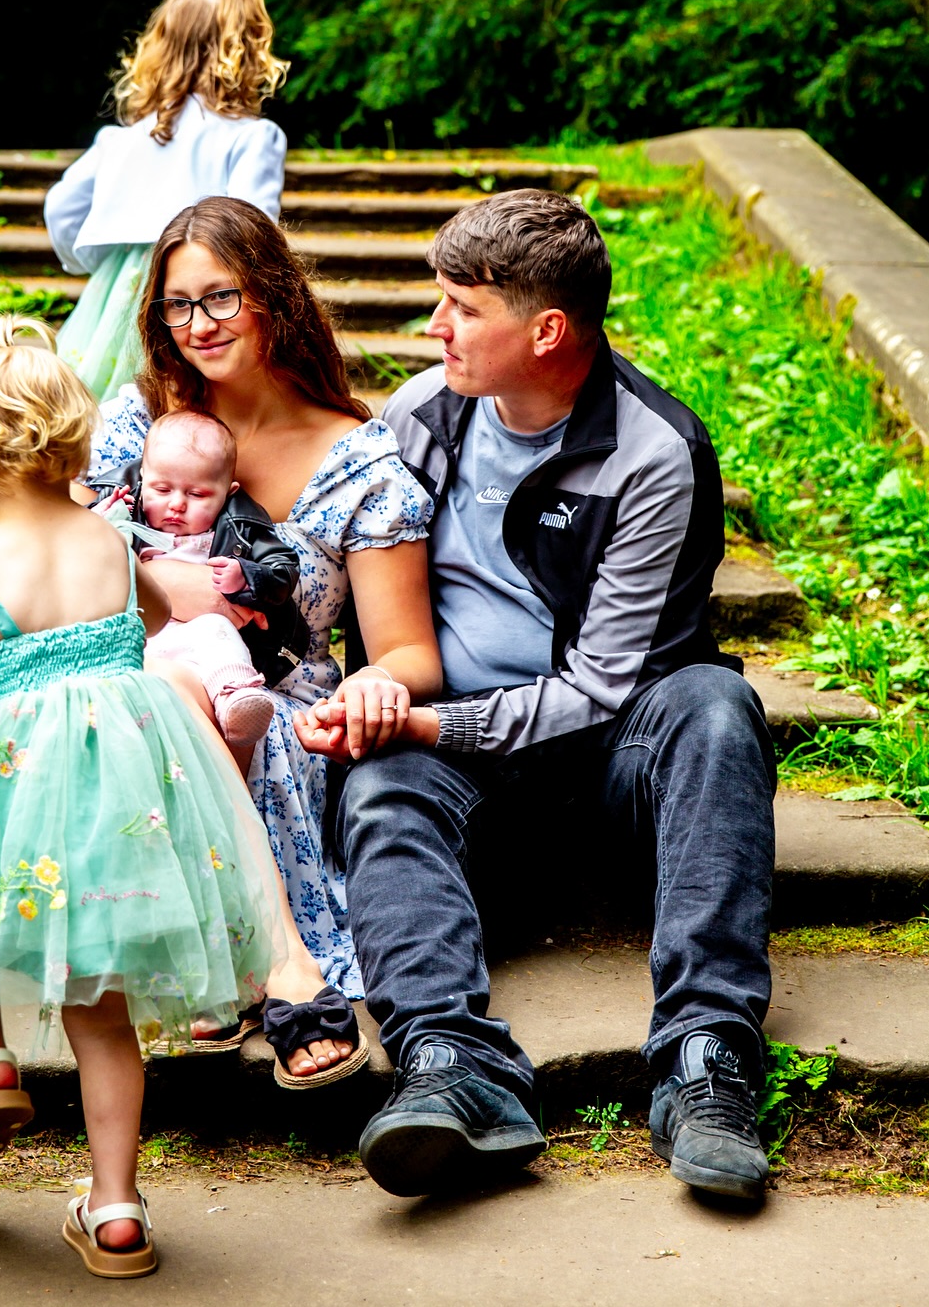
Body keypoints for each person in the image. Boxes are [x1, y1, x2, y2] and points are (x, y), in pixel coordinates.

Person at [298, 190, 778, 1203]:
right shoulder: (419, 417)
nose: (434, 329)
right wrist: (373, 699)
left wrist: (435, 719)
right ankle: (448, 1064)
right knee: (380, 780)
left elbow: (605, 688)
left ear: (546, 329)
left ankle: (705, 1060)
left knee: (713, 707)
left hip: (606, 764)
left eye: (461, 309)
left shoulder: (655, 452)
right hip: (453, 764)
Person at [0, 317, 288, 1278]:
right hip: (117, 797)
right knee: (103, 1012)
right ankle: (118, 1209)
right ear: (69, 452)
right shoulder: (113, 543)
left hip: (5, 789)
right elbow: (166, 610)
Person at [84, 197, 442, 1067]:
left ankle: (236, 969)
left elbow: (410, 653)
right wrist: (180, 591)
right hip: (136, 681)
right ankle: (267, 968)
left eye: (220, 298)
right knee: (163, 698)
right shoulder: (138, 426)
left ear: (273, 297)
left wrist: (372, 684)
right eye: (177, 303)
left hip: (281, 704)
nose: (197, 325)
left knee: (222, 708)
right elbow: (79, 581)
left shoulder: (356, 457)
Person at [44, 0, 289, 401]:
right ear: (251, 48)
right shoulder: (253, 137)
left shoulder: (120, 140)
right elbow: (256, 237)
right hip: (198, 304)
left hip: (116, 298)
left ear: (161, 48)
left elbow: (61, 206)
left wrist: (90, 263)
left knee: (100, 409)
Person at [92, 407, 303, 751]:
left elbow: (282, 569)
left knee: (214, 630)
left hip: (197, 651)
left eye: (197, 495)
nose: (176, 504)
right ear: (143, 477)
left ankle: (236, 696)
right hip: (138, 636)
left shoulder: (240, 527)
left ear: (227, 492)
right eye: (162, 489)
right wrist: (100, 525)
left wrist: (246, 576)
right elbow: (75, 556)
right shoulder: (124, 507)